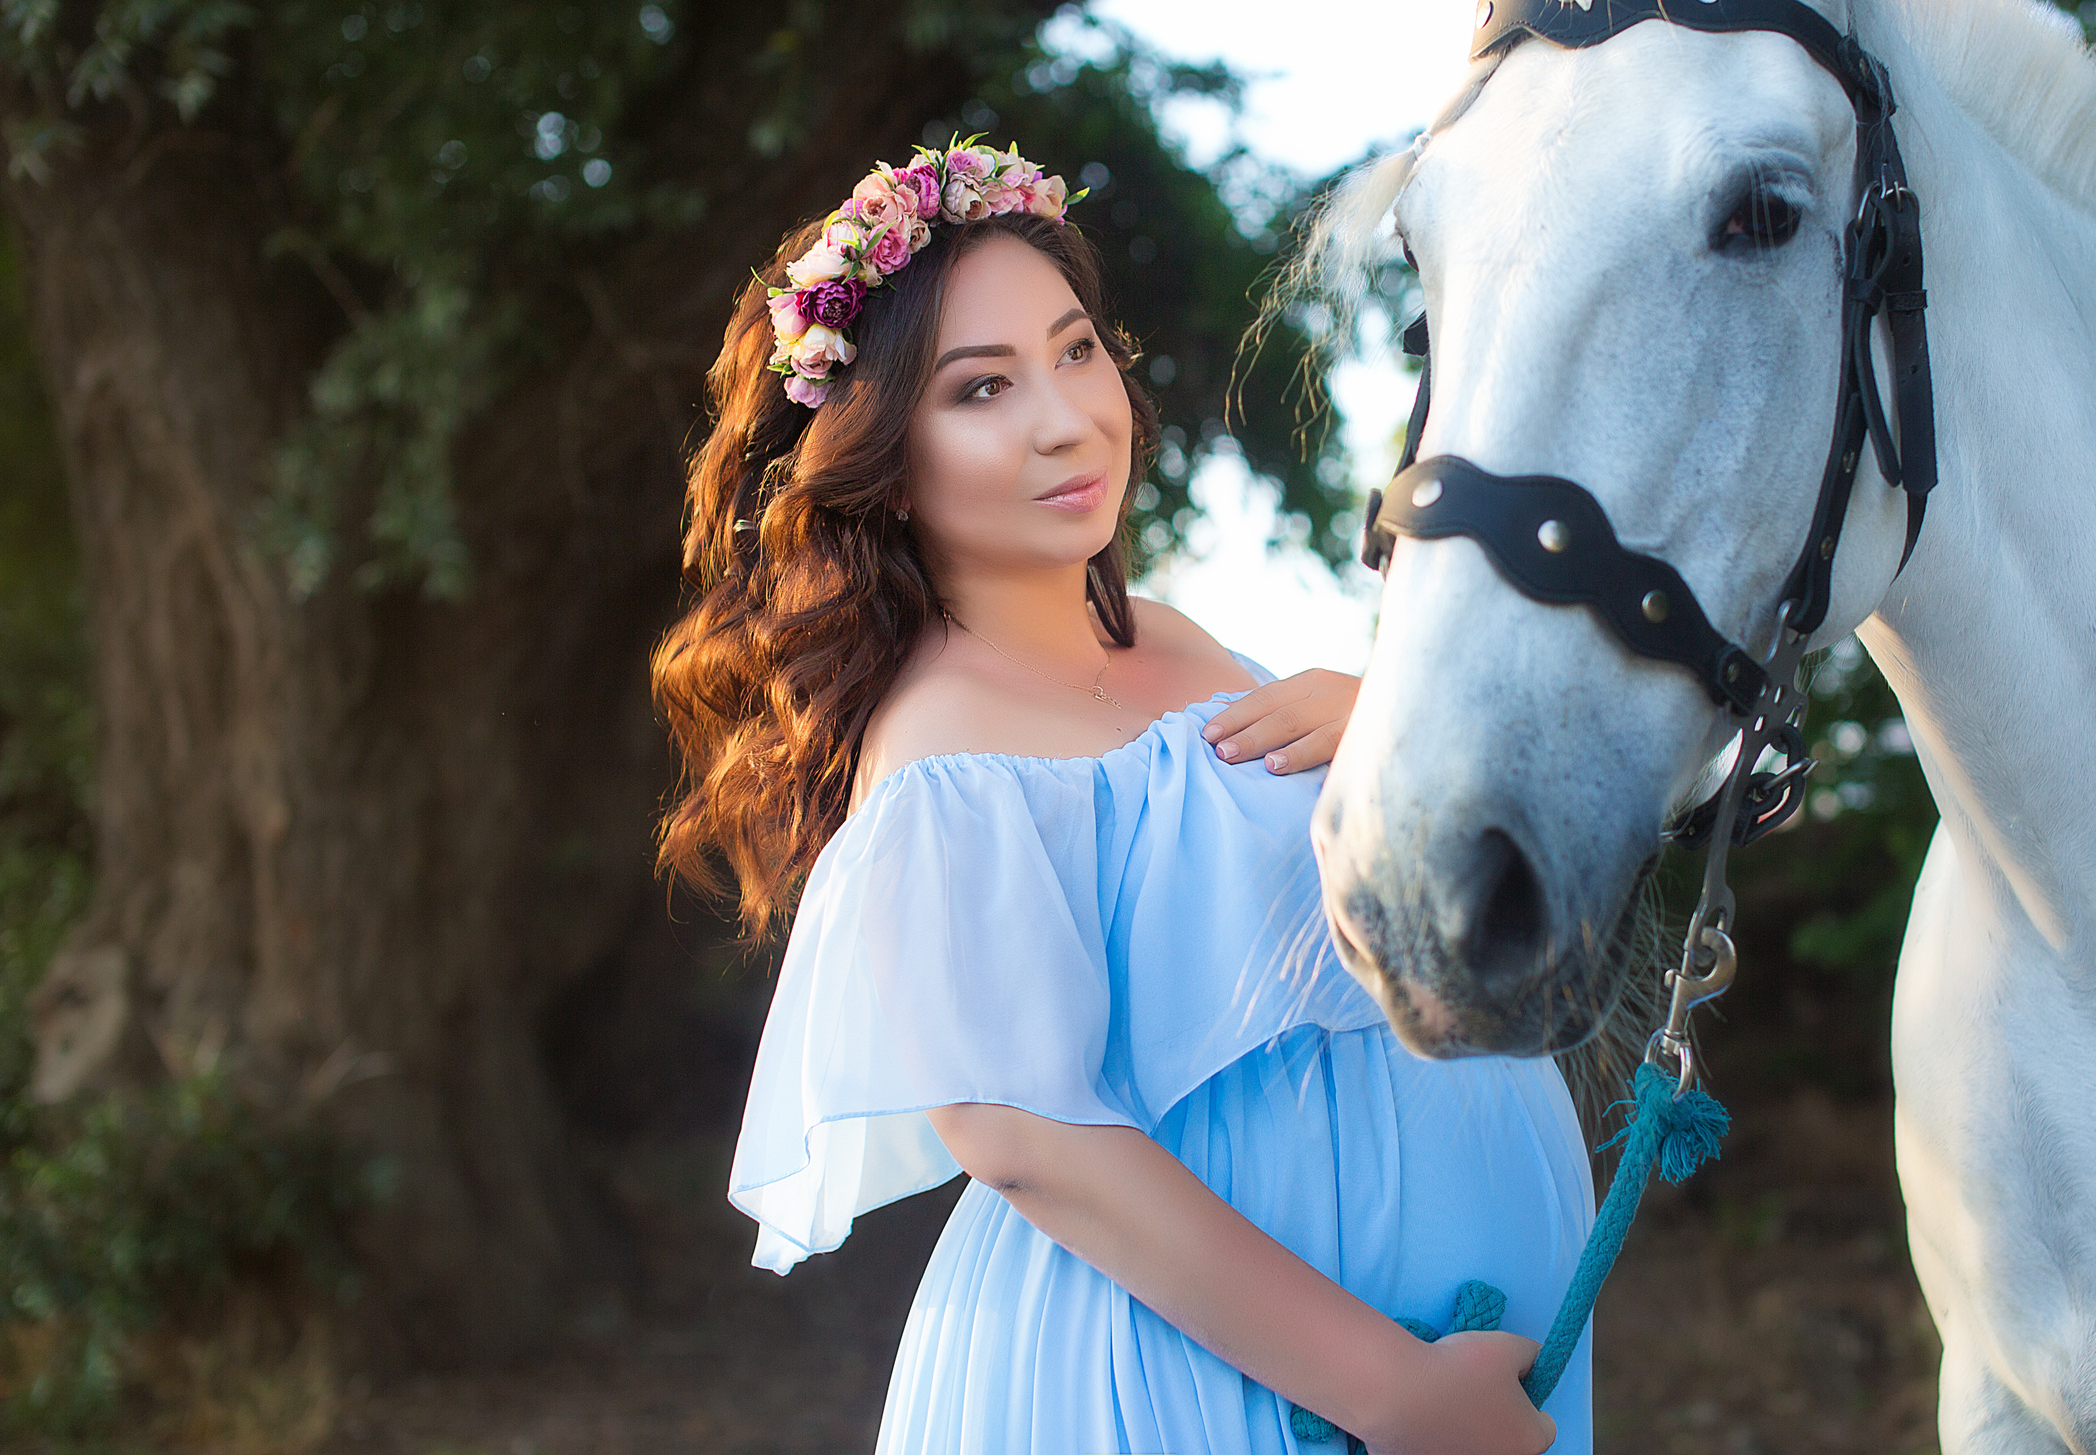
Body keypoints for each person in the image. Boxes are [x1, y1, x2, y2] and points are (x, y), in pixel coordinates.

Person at [651, 139, 1594, 1455]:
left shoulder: (1172, 639)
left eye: (1076, 350)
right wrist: (1386, 1390)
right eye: (982, 388)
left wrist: (1401, 733)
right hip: (1203, 1382)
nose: (1065, 418)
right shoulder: (944, 749)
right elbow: (1021, 1134)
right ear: (884, 456)